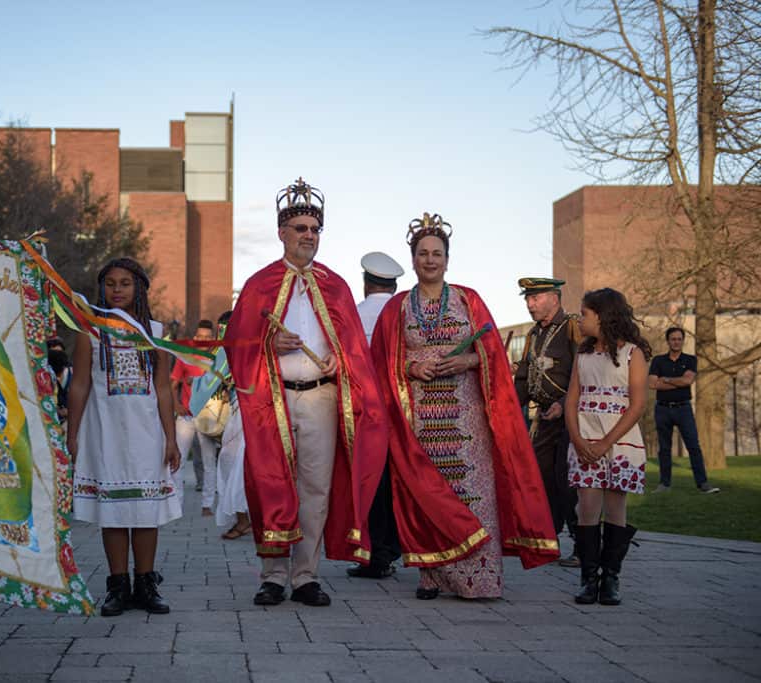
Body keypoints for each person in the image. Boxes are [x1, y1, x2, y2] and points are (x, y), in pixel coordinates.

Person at [370, 213, 559, 601]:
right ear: (413, 259)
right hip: (421, 415)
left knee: (472, 490)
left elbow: (492, 353)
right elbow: (382, 360)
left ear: (448, 259)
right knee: (428, 492)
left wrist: (468, 361)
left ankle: (481, 577)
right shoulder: (398, 308)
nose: (430, 260)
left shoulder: (468, 299)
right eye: (423, 253)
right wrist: (412, 366)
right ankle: (431, 574)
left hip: (467, 413)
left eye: (437, 253)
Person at [225, 177, 389, 607]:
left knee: (316, 487)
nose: (308, 236)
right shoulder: (259, 284)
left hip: (321, 396)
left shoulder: (336, 286)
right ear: (282, 233)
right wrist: (266, 343)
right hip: (273, 399)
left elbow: (353, 345)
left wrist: (342, 361)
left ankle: (306, 575)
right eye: (300, 229)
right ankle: (272, 575)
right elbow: (236, 343)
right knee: (270, 483)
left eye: (314, 230)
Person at [67, 257, 182, 616]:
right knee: (112, 511)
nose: (117, 290)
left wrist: (171, 437)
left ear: (140, 290)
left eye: (125, 283)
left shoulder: (156, 332)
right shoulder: (92, 330)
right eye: (111, 283)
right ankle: (118, 585)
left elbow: (163, 389)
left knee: (145, 511)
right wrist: (72, 435)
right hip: (105, 430)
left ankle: (146, 583)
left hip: (147, 431)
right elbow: (81, 383)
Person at [565, 288, 650, 605]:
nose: (580, 318)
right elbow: (572, 399)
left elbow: (637, 404)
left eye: (584, 313)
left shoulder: (632, 354)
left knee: (615, 508)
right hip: (585, 439)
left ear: (601, 315)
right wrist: (577, 437)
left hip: (619, 441)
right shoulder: (583, 355)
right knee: (587, 508)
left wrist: (605, 443)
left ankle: (611, 578)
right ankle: (589, 578)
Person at [513, 277, 581, 567]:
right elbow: (524, 379)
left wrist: (564, 405)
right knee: (541, 480)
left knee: (568, 482)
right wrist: (511, 412)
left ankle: (583, 545)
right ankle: (547, 540)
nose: (530, 304)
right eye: (527, 299)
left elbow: (585, 373)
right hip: (542, 418)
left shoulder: (573, 328)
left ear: (554, 298)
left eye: (536, 298)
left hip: (571, 418)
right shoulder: (532, 335)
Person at [347, 251, 404, 579]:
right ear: (394, 285)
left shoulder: (356, 315)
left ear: (366, 282)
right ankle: (398, 547)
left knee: (373, 480)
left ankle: (375, 553)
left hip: (367, 410)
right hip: (404, 409)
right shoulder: (404, 313)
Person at [189, 311, 252, 539]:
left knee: (233, 464)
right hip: (240, 410)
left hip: (247, 412)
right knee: (230, 463)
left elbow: (210, 379)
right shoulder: (227, 349)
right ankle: (242, 518)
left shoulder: (232, 348)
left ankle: (245, 519)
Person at [649, 327, 719, 494]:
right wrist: (677, 381)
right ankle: (664, 484)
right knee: (664, 448)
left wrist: (665, 379)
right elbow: (652, 384)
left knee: (693, 446)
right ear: (668, 341)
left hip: (683, 408)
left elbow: (688, 381)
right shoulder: (658, 360)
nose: (676, 342)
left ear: (683, 341)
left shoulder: (690, 360)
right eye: (673, 339)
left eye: (679, 339)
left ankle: (703, 484)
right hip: (663, 409)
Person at [171, 320, 217, 512]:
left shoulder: (217, 359)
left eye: (207, 337)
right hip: (187, 416)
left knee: (209, 462)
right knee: (178, 460)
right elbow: (172, 384)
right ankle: (176, 504)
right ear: (195, 337)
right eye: (200, 336)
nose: (203, 340)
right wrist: (176, 405)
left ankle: (207, 504)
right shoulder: (185, 358)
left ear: (213, 339)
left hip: (208, 417)